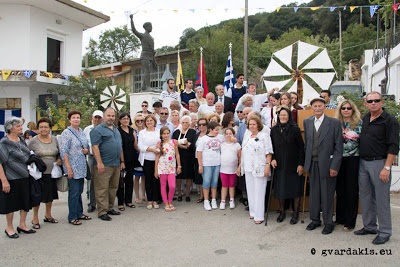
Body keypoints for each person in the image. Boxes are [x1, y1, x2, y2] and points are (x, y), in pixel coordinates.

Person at [356, 91, 399, 245]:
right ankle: (369, 226)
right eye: (370, 101)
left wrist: (387, 167)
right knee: (366, 197)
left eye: (376, 100)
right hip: (364, 163)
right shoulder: (366, 117)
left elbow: (394, 146)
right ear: (366, 104)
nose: (373, 103)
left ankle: (385, 231)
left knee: (381, 199)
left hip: (379, 163)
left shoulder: (389, 121)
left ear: (382, 102)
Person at [304, 97, 343, 235]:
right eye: (315, 106)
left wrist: (335, 166)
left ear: (325, 106)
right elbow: (307, 144)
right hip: (313, 163)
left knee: (327, 193)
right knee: (314, 193)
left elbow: (339, 147)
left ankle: (328, 222)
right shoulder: (307, 122)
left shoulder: (334, 123)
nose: (317, 108)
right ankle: (315, 220)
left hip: (327, 164)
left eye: (320, 105)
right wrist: (305, 164)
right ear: (311, 107)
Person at [0, 117, 35, 238]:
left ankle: (22, 224)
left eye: (21, 125)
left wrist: (20, 120)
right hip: (11, 177)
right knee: (11, 204)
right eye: (18, 126)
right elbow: (0, 162)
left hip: (24, 176)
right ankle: (9, 227)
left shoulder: (20, 139)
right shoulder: (4, 142)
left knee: (24, 201)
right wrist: (4, 181)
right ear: (11, 128)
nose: (21, 127)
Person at [270, 107, 305, 224]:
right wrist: (273, 159)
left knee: (295, 189)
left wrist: (300, 164)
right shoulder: (274, 130)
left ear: (289, 116)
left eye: (285, 115)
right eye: (281, 115)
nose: (283, 117)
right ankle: (282, 211)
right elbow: (271, 147)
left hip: (293, 163)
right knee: (281, 188)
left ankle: (295, 214)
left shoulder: (295, 129)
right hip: (279, 163)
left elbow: (301, 148)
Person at [90, 107, 124, 221]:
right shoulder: (97, 130)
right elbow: (95, 147)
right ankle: (102, 211)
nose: (111, 118)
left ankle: (109, 208)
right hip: (104, 164)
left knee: (113, 187)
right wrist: (99, 162)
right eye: (108, 115)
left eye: (113, 116)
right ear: (104, 116)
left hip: (115, 164)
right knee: (102, 188)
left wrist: (122, 161)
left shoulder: (115, 129)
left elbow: (119, 146)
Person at [334, 99, 362, 232]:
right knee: (340, 190)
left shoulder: (359, 123)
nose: (346, 110)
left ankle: (350, 222)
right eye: (343, 108)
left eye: (348, 108)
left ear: (353, 110)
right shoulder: (336, 124)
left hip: (353, 159)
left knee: (351, 190)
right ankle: (340, 218)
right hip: (339, 159)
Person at [28, 118, 61, 229]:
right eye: (41, 127)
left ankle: (48, 215)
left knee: (49, 195)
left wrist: (59, 159)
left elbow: (59, 152)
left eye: (46, 127)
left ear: (50, 128)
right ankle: (35, 218)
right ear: (38, 128)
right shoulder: (33, 141)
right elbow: (27, 155)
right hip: (38, 174)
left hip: (52, 173)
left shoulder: (55, 139)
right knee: (37, 196)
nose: (43, 129)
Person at [59, 110, 91, 225]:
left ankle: (79, 213)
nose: (76, 119)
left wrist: (86, 150)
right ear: (69, 119)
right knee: (73, 192)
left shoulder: (81, 131)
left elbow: (86, 147)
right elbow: (64, 152)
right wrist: (68, 168)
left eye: (78, 117)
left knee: (79, 191)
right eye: (74, 117)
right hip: (72, 166)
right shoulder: (66, 133)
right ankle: (72, 216)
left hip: (81, 166)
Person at [241, 115, 273, 224]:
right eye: (250, 124)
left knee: (259, 191)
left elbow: (268, 152)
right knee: (250, 190)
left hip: (260, 167)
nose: (252, 126)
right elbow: (243, 152)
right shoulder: (247, 136)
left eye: (254, 124)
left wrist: (267, 166)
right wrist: (241, 166)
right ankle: (253, 212)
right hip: (248, 167)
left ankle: (259, 216)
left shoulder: (264, 136)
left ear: (258, 125)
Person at [197, 121, 224, 211]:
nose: (217, 131)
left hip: (217, 163)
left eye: (218, 130)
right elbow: (199, 152)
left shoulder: (220, 137)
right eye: (216, 130)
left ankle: (213, 200)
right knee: (206, 182)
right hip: (207, 164)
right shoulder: (203, 139)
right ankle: (206, 200)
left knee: (215, 182)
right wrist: (200, 165)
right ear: (210, 130)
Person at [155, 127, 181, 211]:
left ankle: (170, 202)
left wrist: (179, 166)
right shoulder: (159, 144)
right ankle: (166, 203)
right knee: (163, 186)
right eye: (164, 134)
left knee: (172, 186)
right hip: (162, 168)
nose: (166, 135)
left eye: (167, 133)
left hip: (171, 168)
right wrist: (156, 170)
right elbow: (157, 157)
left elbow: (177, 155)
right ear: (161, 135)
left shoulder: (173, 142)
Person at [117, 112, 139, 211]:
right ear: (120, 120)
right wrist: (122, 161)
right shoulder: (118, 131)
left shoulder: (132, 130)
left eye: (127, 118)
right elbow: (120, 147)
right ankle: (120, 203)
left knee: (130, 180)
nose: (126, 120)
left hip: (131, 158)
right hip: (122, 159)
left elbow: (135, 145)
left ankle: (129, 201)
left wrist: (142, 152)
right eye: (123, 119)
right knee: (121, 182)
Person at [138, 114, 161, 210]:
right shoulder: (142, 133)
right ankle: (149, 200)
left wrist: (158, 149)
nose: (149, 122)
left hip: (157, 159)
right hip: (146, 159)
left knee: (156, 180)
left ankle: (155, 199)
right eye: (147, 121)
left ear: (154, 122)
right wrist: (152, 149)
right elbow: (140, 146)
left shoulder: (158, 131)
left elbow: (161, 142)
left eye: (151, 120)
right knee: (148, 180)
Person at [172, 115, 196, 202]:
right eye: (183, 122)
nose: (185, 124)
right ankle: (179, 193)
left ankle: (187, 194)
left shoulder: (192, 132)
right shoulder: (176, 132)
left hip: (189, 157)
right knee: (179, 175)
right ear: (181, 123)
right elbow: (173, 143)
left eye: (186, 122)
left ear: (189, 123)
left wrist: (180, 145)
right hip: (178, 156)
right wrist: (184, 145)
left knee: (188, 175)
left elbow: (192, 144)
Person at [130, 15, 156, 91]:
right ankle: (147, 87)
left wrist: (154, 58)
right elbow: (134, 30)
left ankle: (144, 87)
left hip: (150, 56)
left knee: (148, 72)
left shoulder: (151, 38)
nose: (151, 27)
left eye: (151, 26)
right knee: (146, 71)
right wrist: (131, 19)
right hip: (144, 56)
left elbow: (152, 49)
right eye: (150, 26)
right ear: (146, 27)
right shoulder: (142, 36)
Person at [84, 110, 103, 213]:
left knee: (103, 180)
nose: (97, 120)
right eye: (95, 117)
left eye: (99, 118)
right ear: (92, 118)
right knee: (91, 181)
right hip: (91, 157)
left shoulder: (104, 129)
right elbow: (84, 143)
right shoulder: (87, 129)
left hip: (103, 157)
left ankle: (103, 203)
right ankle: (92, 203)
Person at [220, 128, 241, 210]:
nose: (228, 135)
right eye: (227, 134)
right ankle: (223, 201)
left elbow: (240, 157)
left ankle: (231, 200)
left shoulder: (237, 145)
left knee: (232, 185)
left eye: (230, 133)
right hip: (223, 169)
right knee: (224, 185)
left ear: (234, 135)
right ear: (224, 135)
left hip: (233, 169)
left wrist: (239, 167)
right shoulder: (222, 145)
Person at [132, 113, 146, 204]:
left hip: (145, 155)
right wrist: (140, 151)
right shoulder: (133, 131)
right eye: (137, 121)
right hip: (137, 155)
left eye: (141, 120)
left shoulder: (146, 130)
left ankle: (143, 195)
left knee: (144, 176)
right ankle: (137, 196)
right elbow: (135, 144)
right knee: (137, 177)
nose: (140, 122)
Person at [194, 117, 208, 203]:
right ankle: (202, 195)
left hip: (207, 159)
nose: (201, 126)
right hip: (197, 158)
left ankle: (207, 196)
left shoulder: (209, 134)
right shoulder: (196, 135)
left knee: (206, 178)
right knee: (199, 178)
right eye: (199, 124)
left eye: (203, 124)